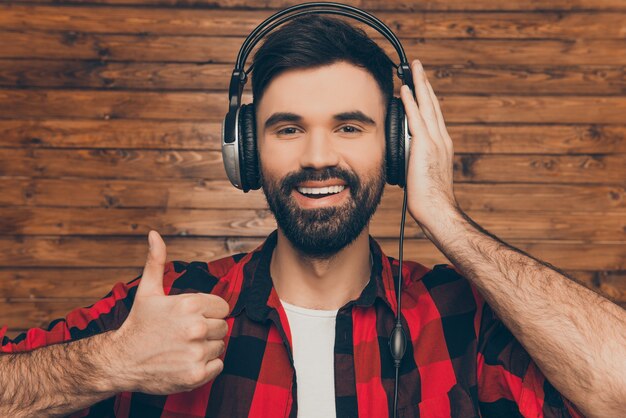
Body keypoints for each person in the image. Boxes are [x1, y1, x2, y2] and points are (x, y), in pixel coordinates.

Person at [1, 13, 624, 418]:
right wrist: (110, 362)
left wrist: (447, 219)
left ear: (400, 146)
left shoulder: (461, 318)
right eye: (288, 128)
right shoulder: (167, 310)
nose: (319, 157)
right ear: (246, 151)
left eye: (350, 127)